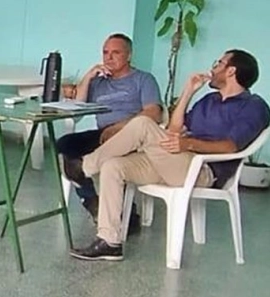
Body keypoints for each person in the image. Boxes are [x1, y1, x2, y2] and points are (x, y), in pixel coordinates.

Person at [65, 49, 270, 261]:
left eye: (219, 63)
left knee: (143, 124)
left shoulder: (254, 106)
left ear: (231, 71)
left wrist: (188, 143)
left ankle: (85, 167)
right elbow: (173, 130)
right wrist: (188, 91)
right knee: (113, 166)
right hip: (176, 162)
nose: (213, 67)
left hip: (203, 170)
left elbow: (231, 146)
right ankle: (109, 242)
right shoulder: (209, 100)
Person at [55, 34, 162, 218]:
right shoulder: (99, 82)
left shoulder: (143, 79)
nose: (109, 57)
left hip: (131, 135)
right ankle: (93, 202)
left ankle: (125, 212)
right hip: (103, 134)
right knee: (65, 145)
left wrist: (120, 127)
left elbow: (154, 113)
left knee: (83, 163)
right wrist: (89, 76)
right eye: (105, 53)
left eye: (116, 53)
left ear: (129, 55)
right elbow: (78, 108)